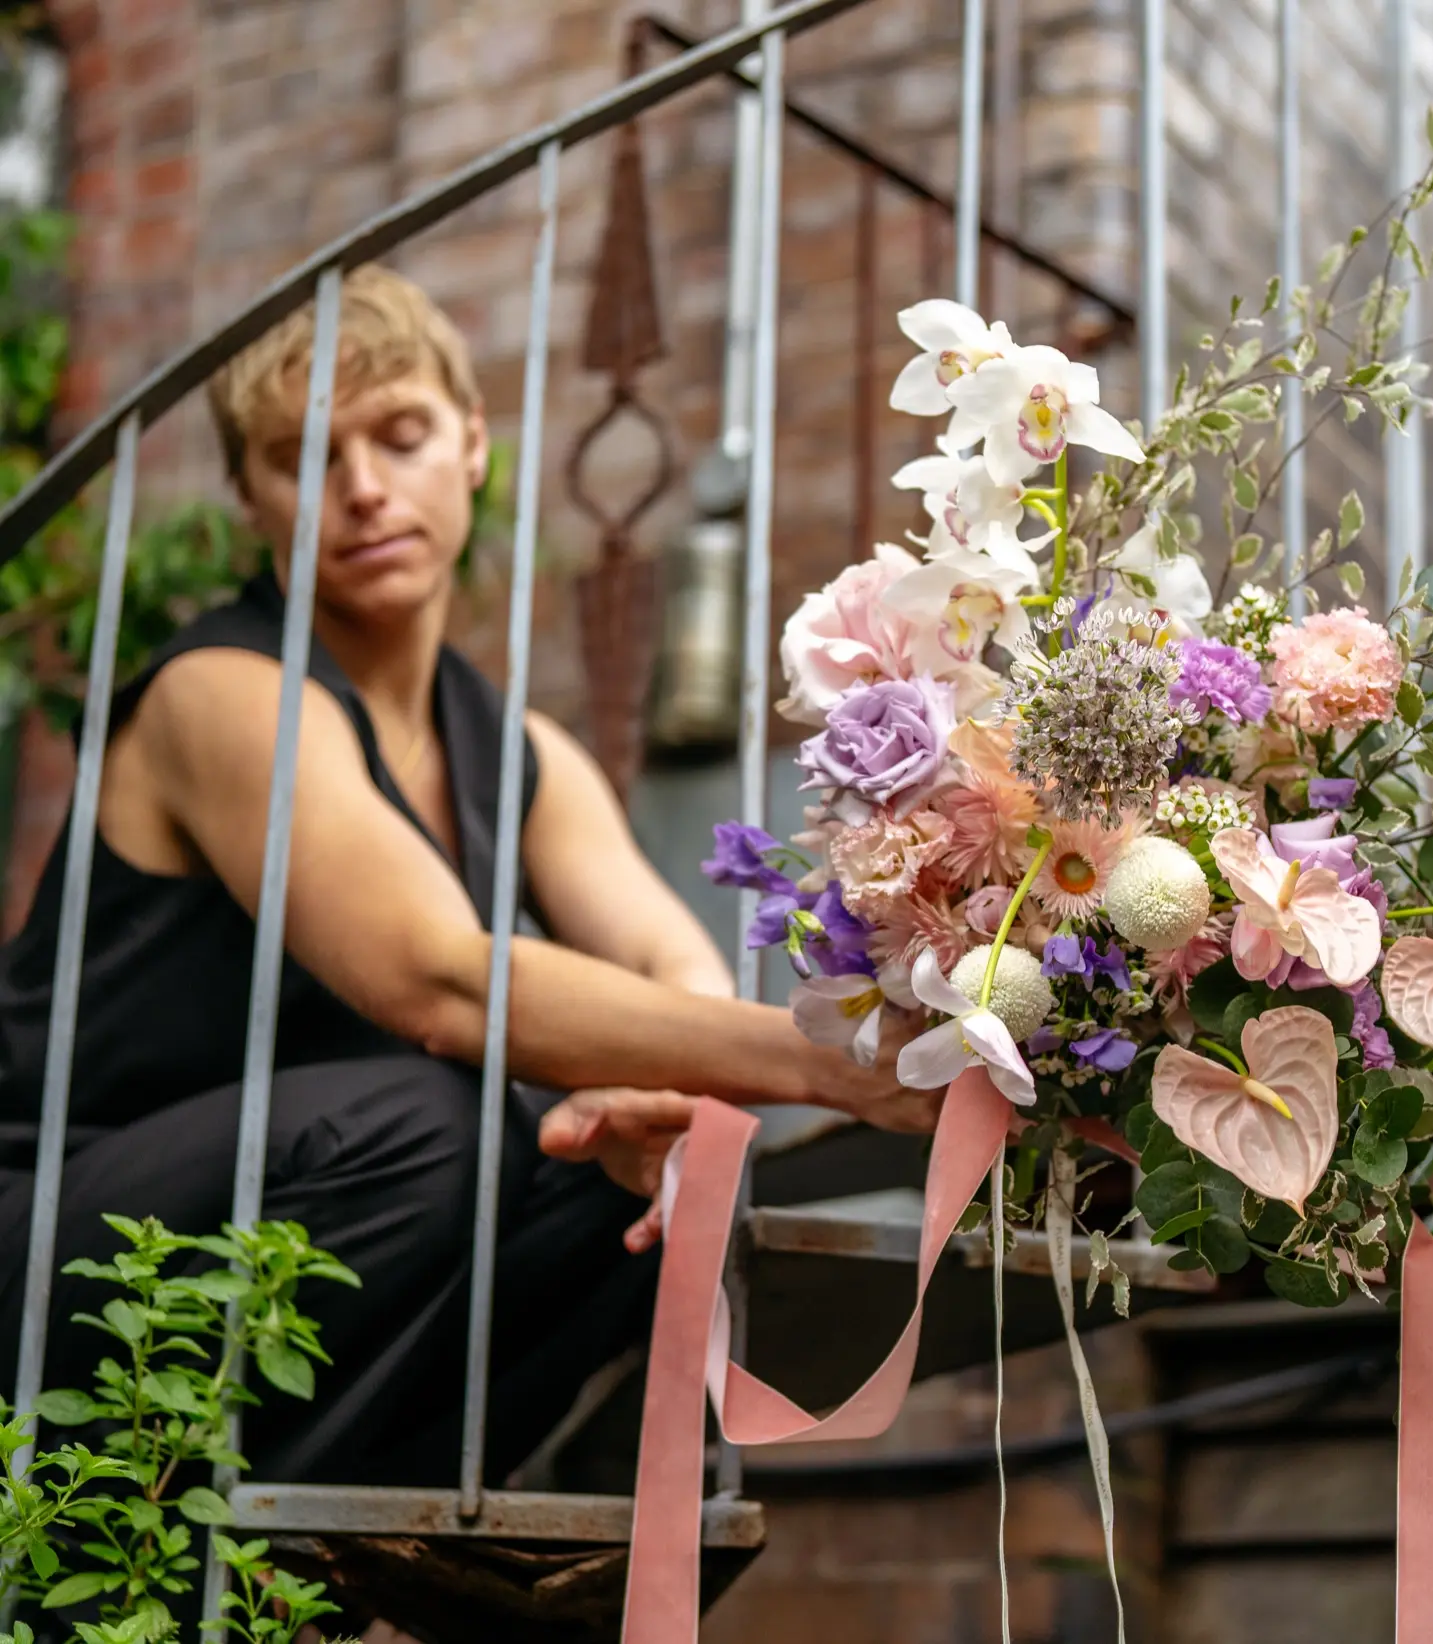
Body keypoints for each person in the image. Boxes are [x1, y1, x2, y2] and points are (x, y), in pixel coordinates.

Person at [0, 265, 930, 1499]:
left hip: (285, 1245)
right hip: (64, 1240)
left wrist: (672, 1107)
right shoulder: (221, 695)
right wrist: (833, 1066)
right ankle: (230, 1533)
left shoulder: (524, 754)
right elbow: (437, 979)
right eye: (303, 458)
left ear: (475, 447)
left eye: (400, 435)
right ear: (248, 500)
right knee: (437, 1126)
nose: (364, 490)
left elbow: (671, 962)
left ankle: (315, 1545)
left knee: (618, 1196)